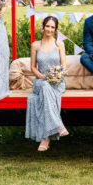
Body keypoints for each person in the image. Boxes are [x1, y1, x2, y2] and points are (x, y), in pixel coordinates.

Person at [25, 16, 69, 152]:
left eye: (52, 27)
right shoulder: (35, 45)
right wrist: (42, 76)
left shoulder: (59, 44)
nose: (49, 29)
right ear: (43, 27)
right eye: (47, 26)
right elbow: (32, 67)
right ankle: (58, 126)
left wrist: (57, 75)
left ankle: (46, 138)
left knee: (47, 91)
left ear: (55, 30)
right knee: (44, 86)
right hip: (40, 80)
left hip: (57, 82)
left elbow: (63, 65)